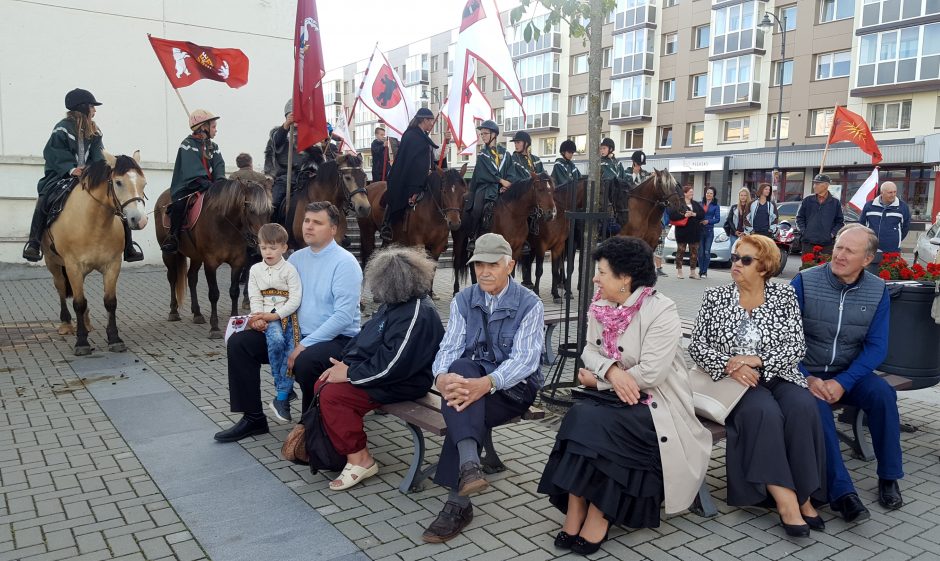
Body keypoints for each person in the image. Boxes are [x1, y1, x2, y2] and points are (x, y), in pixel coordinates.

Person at [539, 236, 711, 555]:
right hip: (617, 394)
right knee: (580, 416)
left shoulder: (661, 309)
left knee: (605, 426)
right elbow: (589, 350)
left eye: (602, 272)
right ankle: (576, 506)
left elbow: (651, 374)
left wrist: (600, 381)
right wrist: (613, 372)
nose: (595, 278)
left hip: (658, 403)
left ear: (625, 279)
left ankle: (599, 513)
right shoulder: (601, 306)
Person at [689, 234, 826, 537]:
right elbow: (697, 346)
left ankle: (805, 493)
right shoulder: (715, 297)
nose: (736, 264)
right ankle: (787, 500)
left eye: (745, 260)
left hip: (777, 374)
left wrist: (757, 361)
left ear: (764, 267)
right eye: (736, 257)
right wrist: (731, 364)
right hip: (730, 382)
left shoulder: (784, 296)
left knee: (803, 406)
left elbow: (796, 346)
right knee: (764, 413)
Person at [421, 233, 544, 543]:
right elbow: (449, 348)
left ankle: (459, 500)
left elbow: (526, 361)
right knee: (459, 372)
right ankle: (468, 472)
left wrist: (488, 383)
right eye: (479, 266)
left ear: (510, 265)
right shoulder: (464, 299)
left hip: (514, 389)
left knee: (462, 402)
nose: (485, 272)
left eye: (493, 265)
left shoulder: (530, 303)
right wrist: (441, 378)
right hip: (472, 386)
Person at [215, 202, 362, 442]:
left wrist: (304, 344)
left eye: (317, 222)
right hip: (291, 331)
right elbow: (274, 293)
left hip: (336, 338)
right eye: (307, 221)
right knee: (240, 344)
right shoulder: (296, 258)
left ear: (333, 229)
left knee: (305, 361)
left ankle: (310, 427)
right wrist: (260, 316)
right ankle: (253, 418)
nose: (309, 226)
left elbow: (343, 317)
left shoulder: (345, 263)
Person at [791, 224, 901, 522]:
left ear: (867, 259)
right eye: (838, 246)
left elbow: (877, 347)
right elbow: (785, 339)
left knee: (882, 394)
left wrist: (844, 381)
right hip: (806, 371)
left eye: (849, 251)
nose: (839, 255)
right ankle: (842, 493)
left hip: (850, 372)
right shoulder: (805, 281)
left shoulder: (878, 290)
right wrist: (808, 377)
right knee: (817, 408)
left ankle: (889, 476)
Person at [312, 246, 445, 491]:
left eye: (379, 282)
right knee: (323, 382)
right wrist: (346, 364)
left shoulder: (416, 313)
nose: (374, 288)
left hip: (407, 382)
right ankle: (341, 449)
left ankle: (361, 459)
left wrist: (350, 374)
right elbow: (367, 339)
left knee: (333, 396)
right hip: (387, 374)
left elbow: (393, 364)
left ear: (392, 283)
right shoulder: (394, 304)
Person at [23, 89, 143, 263]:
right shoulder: (62, 128)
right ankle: (34, 243)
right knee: (44, 198)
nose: (95, 110)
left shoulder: (94, 131)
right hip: (61, 176)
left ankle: (128, 246)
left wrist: (106, 167)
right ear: (82, 107)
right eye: (92, 106)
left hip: (87, 177)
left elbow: (98, 155)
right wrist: (71, 169)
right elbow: (53, 152)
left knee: (115, 199)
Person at [246, 223, 302, 422]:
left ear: (284, 248)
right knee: (276, 340)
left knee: (290, 352)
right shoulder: (255, 270)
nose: (267, 252)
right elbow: (254, 296)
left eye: (273, 247)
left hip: (287, 316)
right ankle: (283, 392)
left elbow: (295, 299)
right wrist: (258, 317)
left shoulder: (289, 270)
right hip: (267, 317)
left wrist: (276, 315)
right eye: (263, 248)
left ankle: (282, 394)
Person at [161, 109, 226, 254]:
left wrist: (220, 181)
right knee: (178, 206)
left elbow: (219, 165)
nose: (216, 130)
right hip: (189, 186)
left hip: (211, 186)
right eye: (213, 126)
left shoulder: (213, 147)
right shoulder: (187, 144)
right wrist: (203, 181)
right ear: (204, 127)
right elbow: (191, 167)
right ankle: (174, 237)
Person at [380, 107, 438, 241]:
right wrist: (415, 188)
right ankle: (388, 225)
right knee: (396, 198)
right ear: (424, 120)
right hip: (409, 180)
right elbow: (414, 165)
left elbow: (427, 159)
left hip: (424, 178)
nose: (432, 124)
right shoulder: (412, 136)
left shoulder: (422, 136)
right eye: (430, 121)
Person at [465, 121, 509, 247]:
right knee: (477, 209)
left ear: (494, 134)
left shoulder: (505, 153)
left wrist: (508, 184)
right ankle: (473, 236)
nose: (482, 136)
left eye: (485, 133)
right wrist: (500, 181)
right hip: (485, 188)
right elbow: (483, 173)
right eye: (481, 134)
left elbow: (511, 171)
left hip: (504, 188)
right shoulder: (482, 154)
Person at [859, 181, 911, 268]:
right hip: (872, 248)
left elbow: (905, 227)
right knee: (870, 273)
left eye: (895, 192)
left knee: (890, 274)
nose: (893, 195)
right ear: (882, 192)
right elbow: (861, 225)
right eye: (890, 192)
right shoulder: (869, 205)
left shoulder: (903, 207)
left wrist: (895, 239)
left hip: (892, 250)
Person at [796, 174, 844, 256]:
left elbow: (840, 222)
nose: (814, 186)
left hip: (827, 244)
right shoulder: (807, 200)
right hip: (808, 243)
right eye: (814, 184)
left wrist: (832, 234)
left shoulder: (835, 202)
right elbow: (799, 218)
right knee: (807, 268)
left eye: (817, 184)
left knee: (825, 268)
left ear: (826, 185)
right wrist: (804, 231)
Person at [667, 185, 705, 279]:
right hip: (682, 232)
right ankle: (679, 271)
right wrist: (685, 215)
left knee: (694, 253)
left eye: (692, 192)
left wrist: (693, 214)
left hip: (694, 231)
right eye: (690, 192)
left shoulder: (696, 204)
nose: (692, 193)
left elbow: (702, 214)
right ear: (685, 193)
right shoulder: (678, 204)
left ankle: (693, 272)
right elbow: (672, 216)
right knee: (680, 251)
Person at [697, 186, 721, 279]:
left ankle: (704, 271)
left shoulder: (716, 206)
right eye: (707, 193)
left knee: (707, 252)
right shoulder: (700, 204)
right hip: (700, 230)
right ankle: (700, 270)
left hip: (709, 231)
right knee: (700, 252)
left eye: (711, 193)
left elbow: (717, 219)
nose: (709, 195)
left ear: (713, 195)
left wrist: (708, 221)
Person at [654, 212, 669, 278]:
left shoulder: (664, 207)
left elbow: (667, 218)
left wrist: (665, 222)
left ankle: (659, 269)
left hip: (661, 228)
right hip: (649, 228)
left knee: (659, 249)